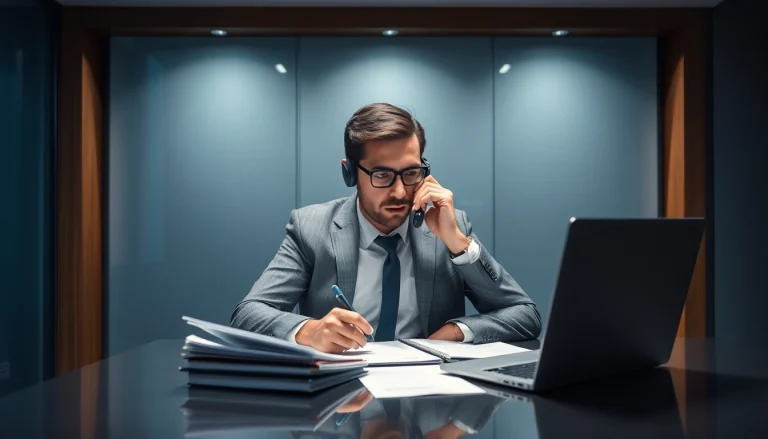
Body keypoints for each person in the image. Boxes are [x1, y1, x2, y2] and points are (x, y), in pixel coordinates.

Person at [231, 103, 541, 353]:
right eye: (381, 175)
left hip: (430, 399)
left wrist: (459, 330)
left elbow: (525, 315)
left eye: (411, 173)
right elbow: (248, 314)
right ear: (350, 173)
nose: (398, 192)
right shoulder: (311, 228)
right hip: (341, 405)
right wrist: (309, 331)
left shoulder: (450, 224)